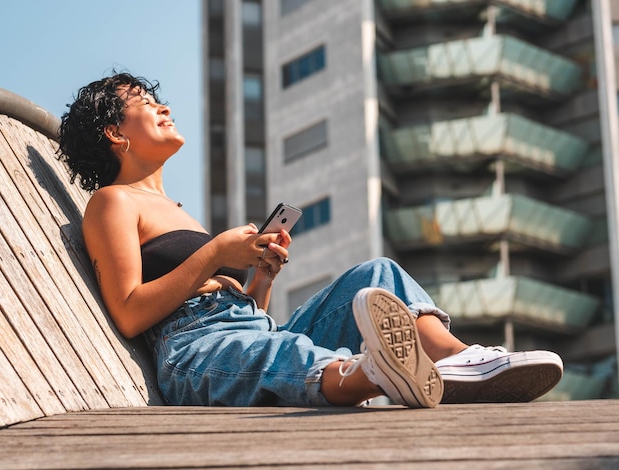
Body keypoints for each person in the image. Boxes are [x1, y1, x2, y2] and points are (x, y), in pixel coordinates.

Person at [57, 72, 564, 408]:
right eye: (145, 104)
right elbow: (127, 311)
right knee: (289, 356)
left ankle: (454, 363)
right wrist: (215, 253)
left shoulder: (178, 211)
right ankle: (381, 373)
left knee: (376, 274)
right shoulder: (112, 202)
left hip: (249, 329)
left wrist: (261, 278)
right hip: (195, 351)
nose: (163, 107)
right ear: (114, 135)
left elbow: (246, 313)